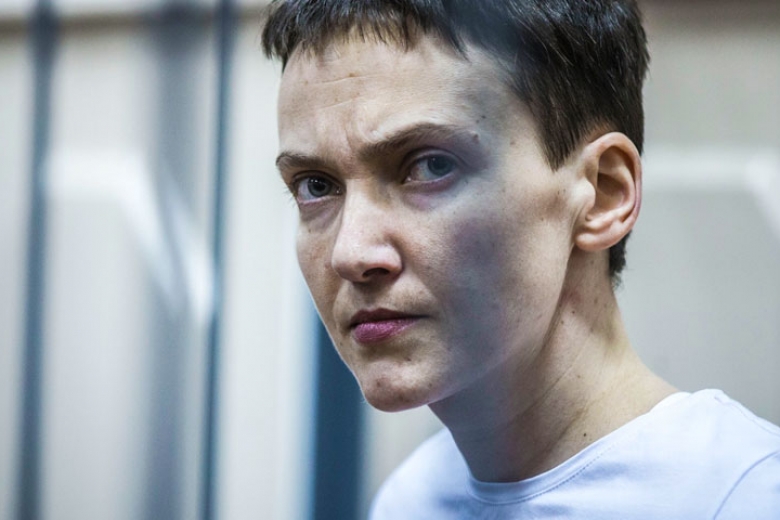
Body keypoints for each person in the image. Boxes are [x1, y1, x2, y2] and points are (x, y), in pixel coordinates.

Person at [261, 1, 780, 517]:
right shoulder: (410, 499)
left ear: (602, 194)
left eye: (431, 165)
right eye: (316, 186)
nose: (350, 252)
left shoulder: (742, 497)